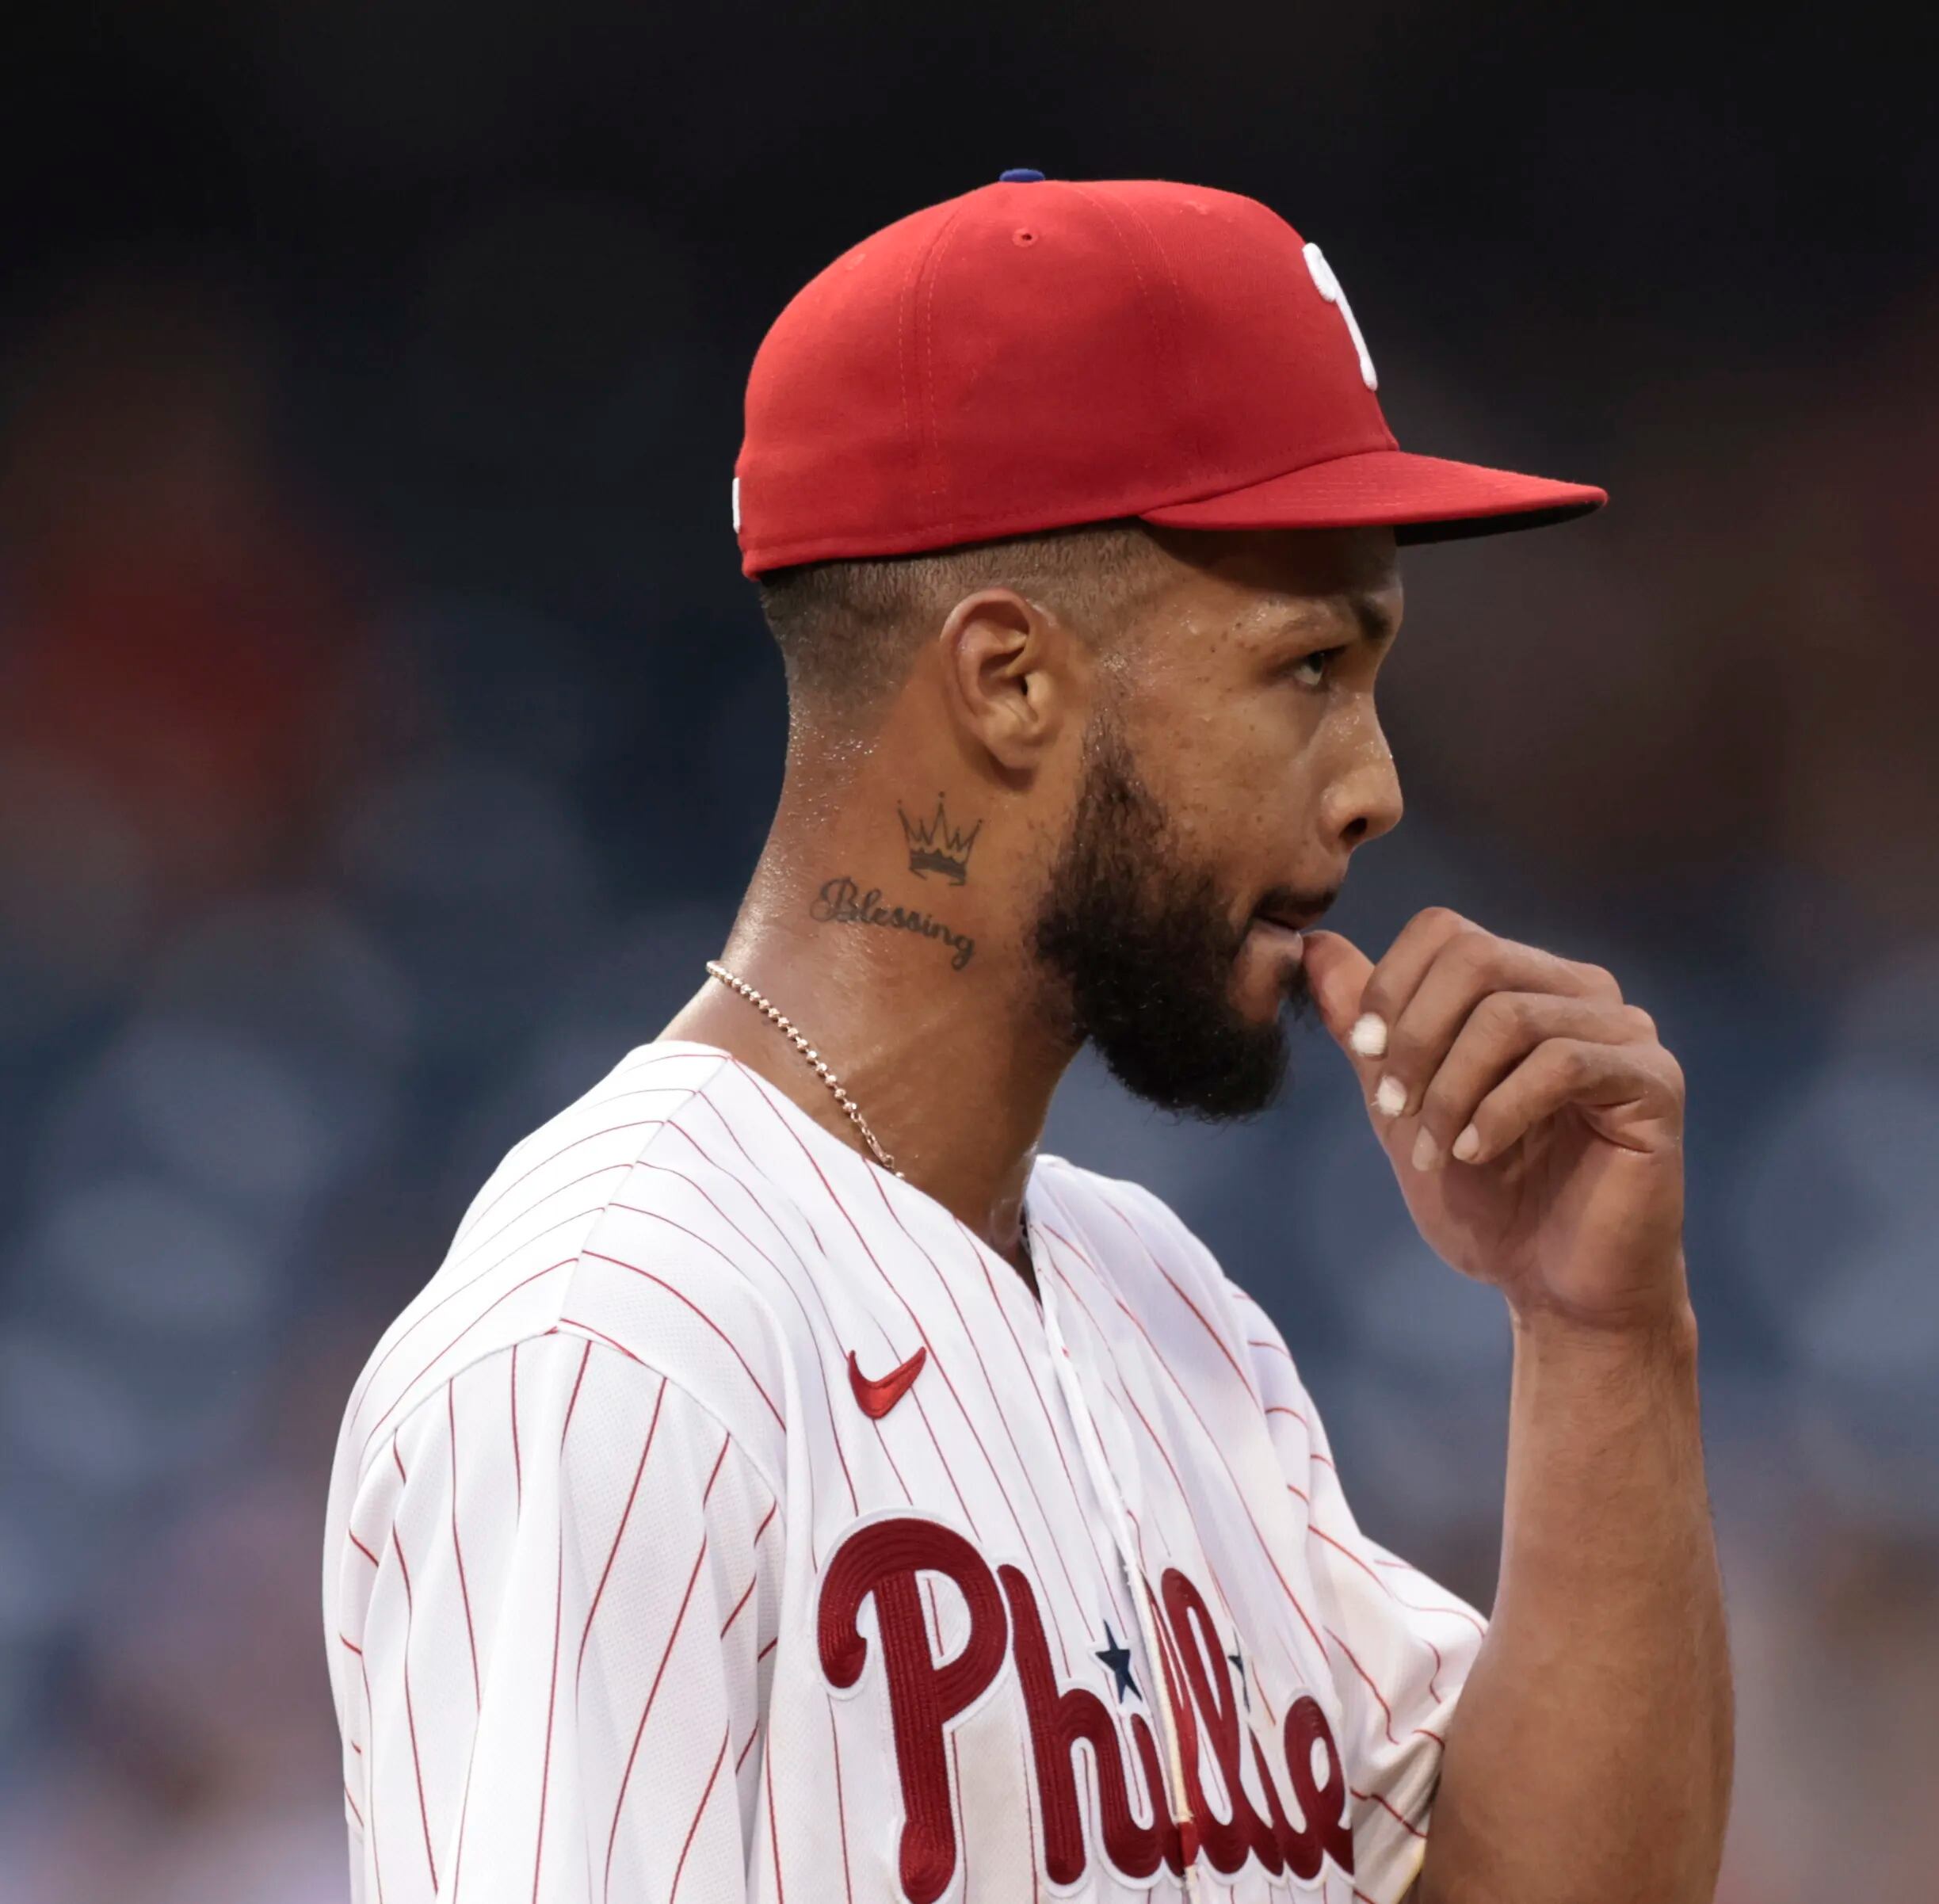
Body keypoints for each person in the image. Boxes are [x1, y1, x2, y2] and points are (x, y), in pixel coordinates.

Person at [322, 173, 1729, 1904]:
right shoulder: (622, 1338)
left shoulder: (1163, 1303)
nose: (1374, 784)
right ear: (1007, 682)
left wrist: (1601, 1340)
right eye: (1306, 666)